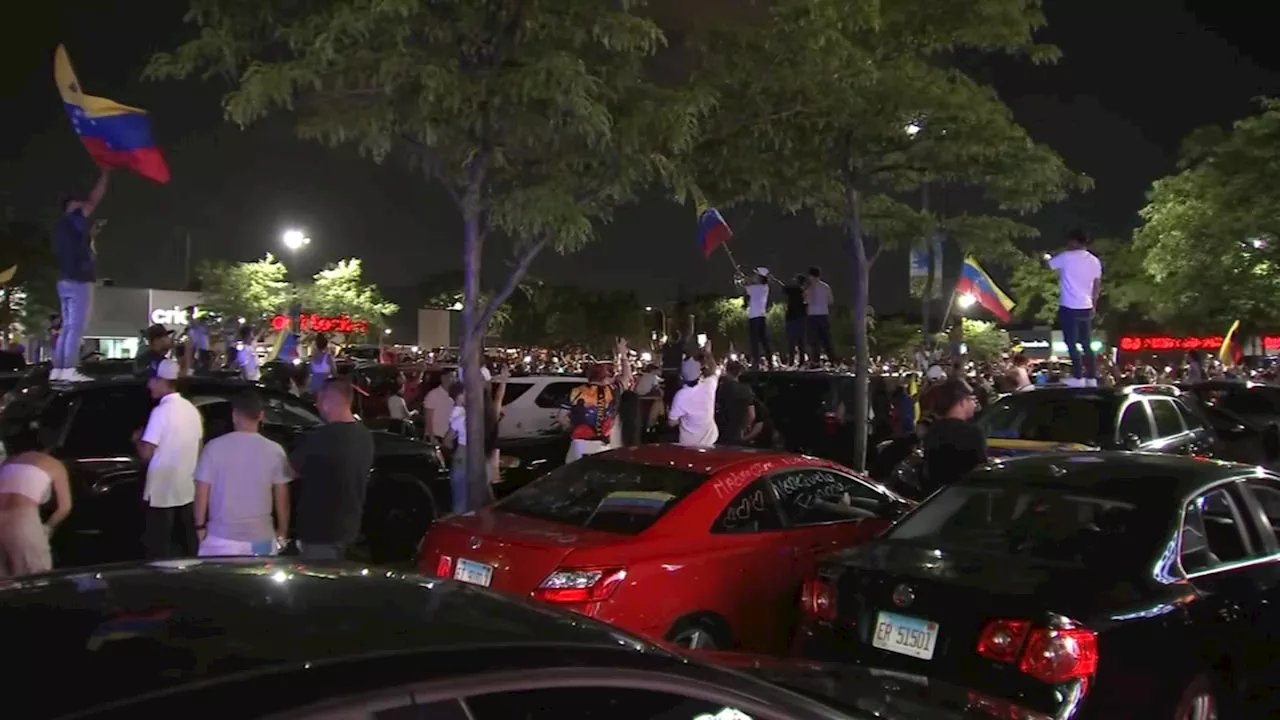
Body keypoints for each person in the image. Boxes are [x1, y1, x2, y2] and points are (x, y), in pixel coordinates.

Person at [193, 391, 290, 557]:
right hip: (261, 539)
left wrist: (200, 527)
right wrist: (282, 532)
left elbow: (202, 492)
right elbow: (282, 496)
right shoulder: (274, 450)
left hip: (221, 538)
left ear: (234, 415)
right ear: (261, 416)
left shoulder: (214, 447)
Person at [289, 378, 374, 560]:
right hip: (350, 528)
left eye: (319, 401)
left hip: (320, 532)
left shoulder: (320, 438)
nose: (318, 406)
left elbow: (291, 470)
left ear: (327, 402)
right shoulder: (364, 436)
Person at [135, 359, 204, 559]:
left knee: (160, 551)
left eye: (152, 381)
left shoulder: (160, 412)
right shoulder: (192, 410)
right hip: (187, 492)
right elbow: (199, 448)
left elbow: (147, 453)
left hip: (161, 494)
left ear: (162, 381)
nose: (149, 386)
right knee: (187, 550)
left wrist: (137, 439)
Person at [52, 168, 110, 382]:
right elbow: (94, 199)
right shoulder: (74, 218)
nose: (83, 206)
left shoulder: (63, 228)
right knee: (76, 327)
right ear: (70, 206)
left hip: (64, 279)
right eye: (77, 203)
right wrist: (105, 174)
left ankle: (58, 369)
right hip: (78, 280)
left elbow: (79, 249)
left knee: (68, 327)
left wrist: (90, 236)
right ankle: (68, 370)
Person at [0, 451, 72, 576]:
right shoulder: (54, 464)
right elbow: (64, 507)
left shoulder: (9, 462)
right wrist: (48, 527)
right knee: (35, 576)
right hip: (21, 519)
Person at [1046, 229, 1102, 387]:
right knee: (1086, 343)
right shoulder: (1094, 261)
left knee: (1071, 342)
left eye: (1069, 241)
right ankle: (1091, 377)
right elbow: (1097, 285)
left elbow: (1048, 266)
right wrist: (1094, 305)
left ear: (1075, 241)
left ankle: (1078, 377)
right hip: (1086, 306)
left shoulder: (1066, 257)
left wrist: (1045, 257)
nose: (1068, 244)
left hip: (1069, 306)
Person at [920, 379, 987, 496]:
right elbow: (979, 471)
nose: (974, 404)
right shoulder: (971, 433)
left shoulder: (932, 431)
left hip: (936, 498)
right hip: (963, 497)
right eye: (971, 399)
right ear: (962, 402)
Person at [669, 346, 719, 447]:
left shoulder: (681, 396)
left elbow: (671, 422)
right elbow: (713, 369)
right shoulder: (708, 386)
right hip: (710, 441)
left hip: (688, 444)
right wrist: (708, 353)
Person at [715, 360, 759, 446]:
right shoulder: (745, 390)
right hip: (737, 431)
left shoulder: (718, 389)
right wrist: (744, 428)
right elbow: (751, 414)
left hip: (719, 431)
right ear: (739, 372)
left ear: (727, 371)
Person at [804, 266, 837, 365]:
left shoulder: (810, 288)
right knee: (827, 339)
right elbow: (831, 301)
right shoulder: (826, 287)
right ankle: (833, 360)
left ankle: (815, 361)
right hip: (824, 315)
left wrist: (805, 296)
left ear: (811, 276)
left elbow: (807, 301)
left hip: (813, 316)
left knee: (814, 341)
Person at [742, 267, 772, 370]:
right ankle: (770, 362)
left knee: (754, 341)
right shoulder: (764, 287)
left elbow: (746, 287)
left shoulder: (757, 288)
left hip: (754, 317)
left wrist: (744, 279)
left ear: (760, 277)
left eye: (755, 275)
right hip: (761, 316)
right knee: (764, 341)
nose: (753, 276)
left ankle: (756, 364)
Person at [778, 273, 807, 367]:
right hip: (801, 318)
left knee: (791, 341)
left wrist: (774, 280)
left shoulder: (795, 290)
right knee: (800, 341)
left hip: (792, 318)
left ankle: (791, 362)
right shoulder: (804, 291)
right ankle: (801, 361)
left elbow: (783, 288)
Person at [423, 369, 456, 444]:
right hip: (437, 436)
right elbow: (428, 418)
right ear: (443, 378)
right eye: (451, 377)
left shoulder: (455, 395)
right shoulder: (433, 395)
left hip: (450, 437)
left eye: (455, 377)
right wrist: (431, 437)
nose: (454, 380)